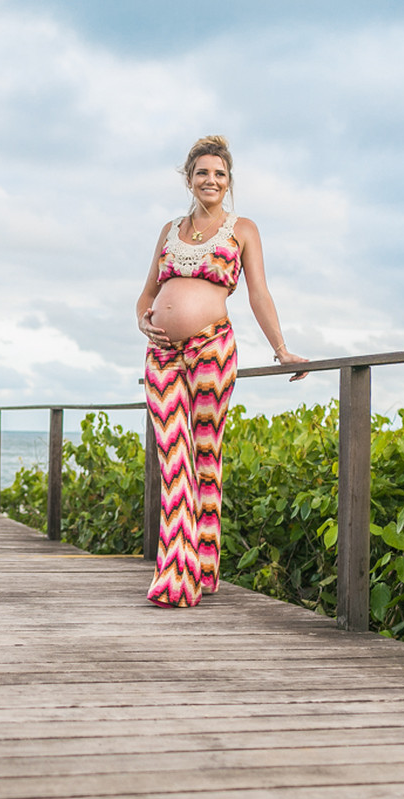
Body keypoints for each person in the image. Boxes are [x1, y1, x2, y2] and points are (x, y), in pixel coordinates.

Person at [136, 135, 308, 608]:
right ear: (189, 179)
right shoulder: (170, 229)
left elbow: (258, 294)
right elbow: (145, 295)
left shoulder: (243, 229)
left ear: (229, 182)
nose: (211, 180)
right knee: (175, 461)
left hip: (213, 347)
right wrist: (143, 321)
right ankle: (176, 577)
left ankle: (202, 570)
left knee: (206, 458)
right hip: (163, 355)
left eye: (220, 174)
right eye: (202, 173)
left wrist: (281, 349)